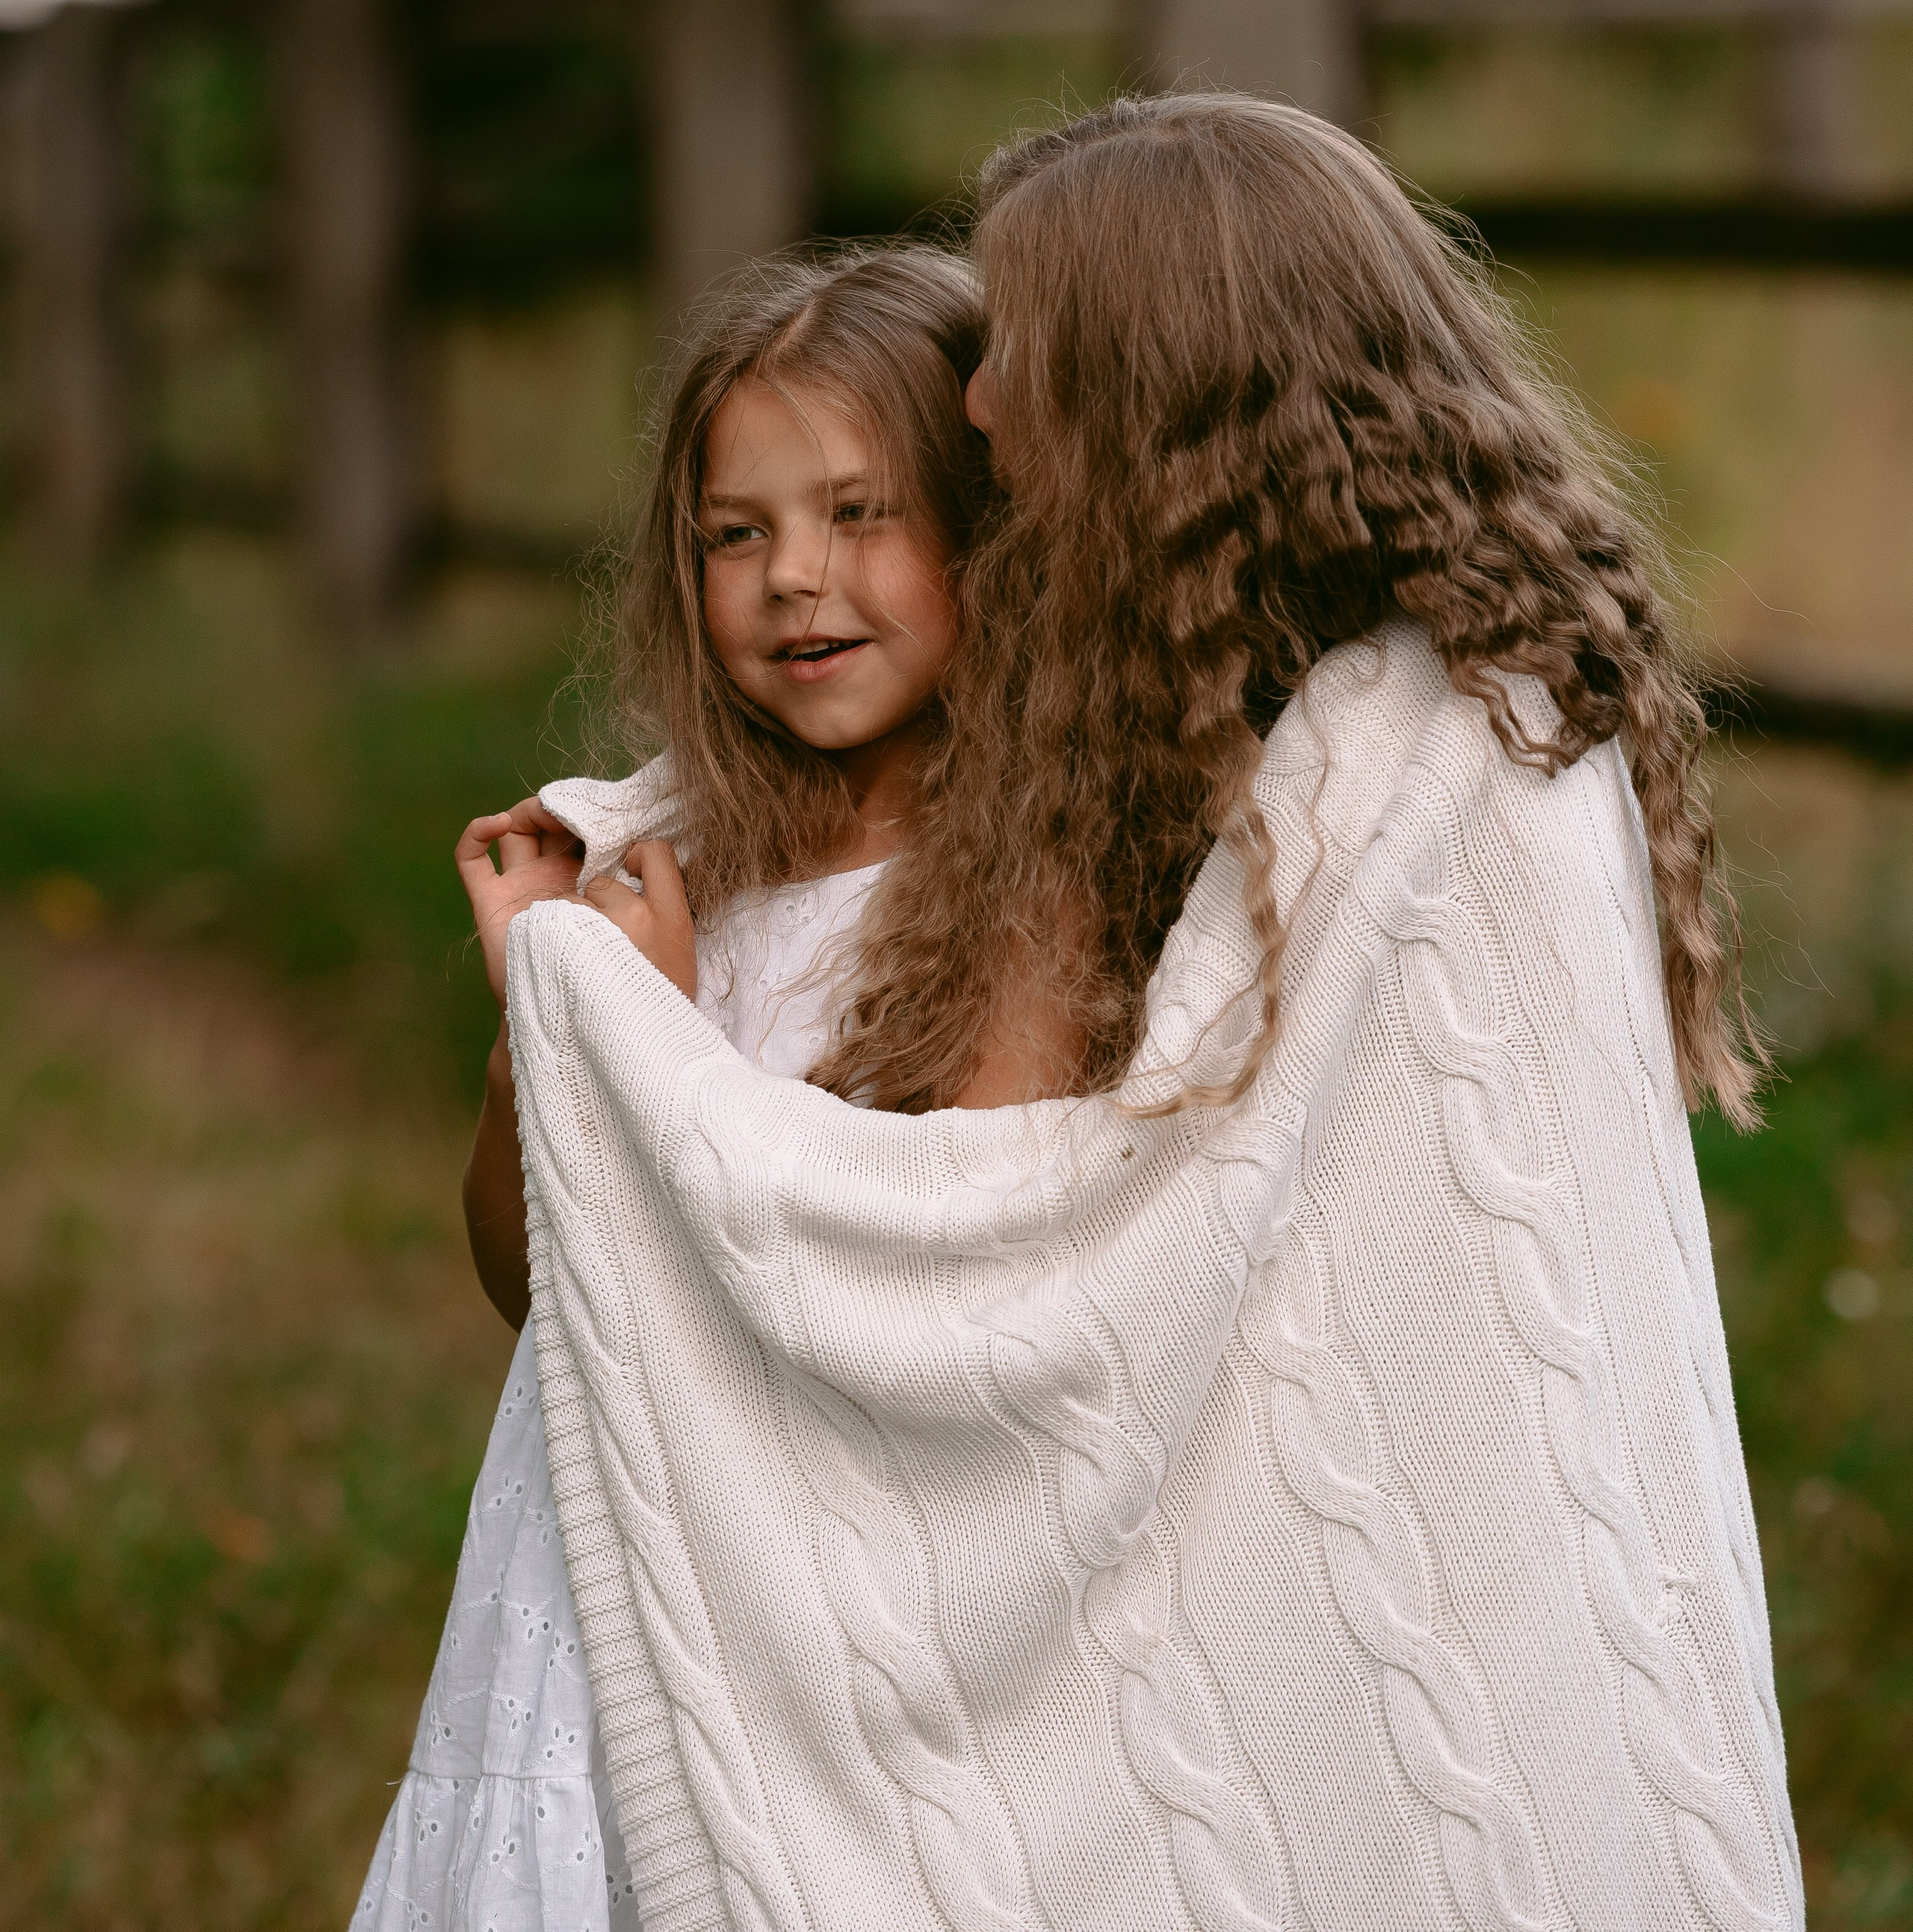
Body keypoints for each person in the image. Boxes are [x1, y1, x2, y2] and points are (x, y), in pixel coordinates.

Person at [506, 95, 1801, 1930]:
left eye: (1017, 351)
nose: (974, 401)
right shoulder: (1387, 703)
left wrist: (618, 1034)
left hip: (1491, 1593)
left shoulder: (1419, 757)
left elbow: (1102, 1233)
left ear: (1157, 382)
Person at [353, 244, 995, 1932]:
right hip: (593, 1578)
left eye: (861, 514)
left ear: (994, 528)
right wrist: (549, 1029)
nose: (795, 577)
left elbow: (868, 1304)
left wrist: (660, 1052)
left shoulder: (1012, 897)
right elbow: (529, 1288)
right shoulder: (668, 867)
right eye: (737, 531)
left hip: (816, 1632)